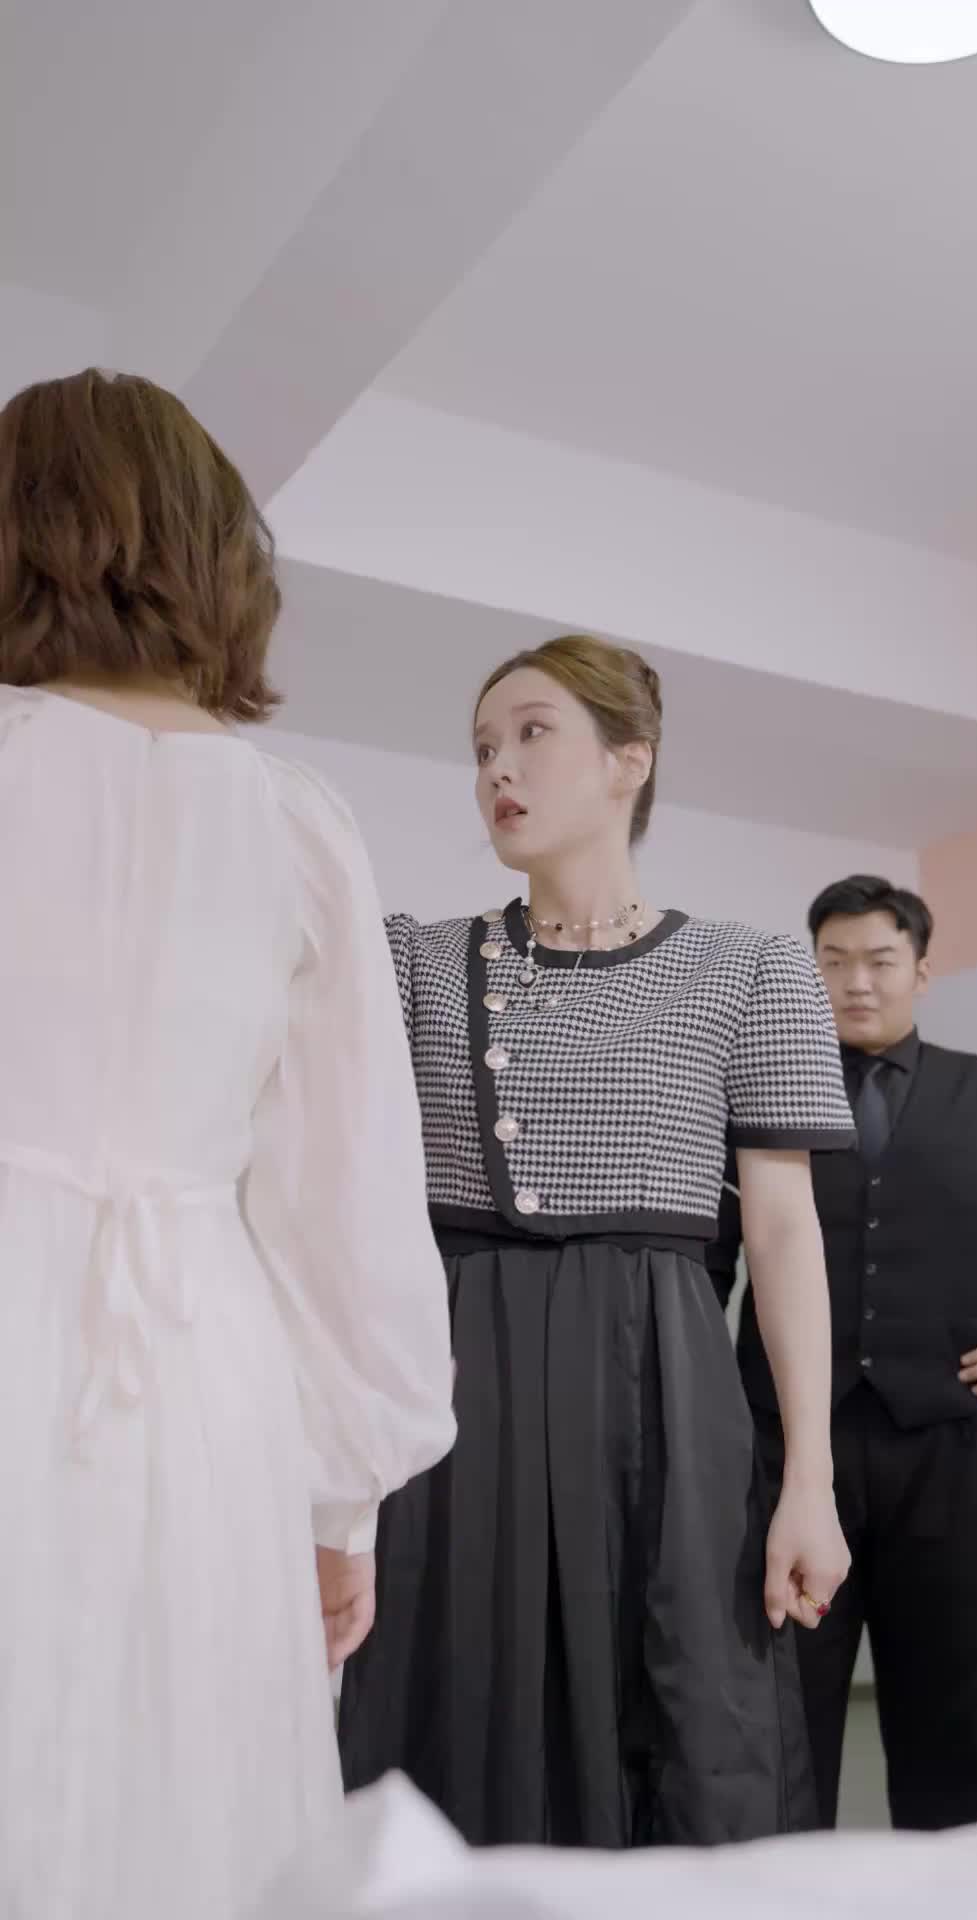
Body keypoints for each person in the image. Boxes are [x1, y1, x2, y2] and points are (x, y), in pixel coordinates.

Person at [0, 369, 456, 1920]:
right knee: (179, 1793)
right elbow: (347, 1201)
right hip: (205, 1368)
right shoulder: (298, 822)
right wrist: (342, 1507)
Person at [337, 633, 853, 1848]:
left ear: (631, 760)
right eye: (481, 748)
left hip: (661, 1389)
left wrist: (811, 1484)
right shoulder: (413, 961)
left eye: (531, 733)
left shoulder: (755, 969)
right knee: (457, 1712)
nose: (497, 770)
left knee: (679, 1714)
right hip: (458, 1389)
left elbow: (784, 1238)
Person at [708, 875, 977, 1833]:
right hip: (787, 1454)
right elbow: (703, 1261)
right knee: (783, 1714)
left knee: (948, 1712)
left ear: (922, 968)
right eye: (833, 962)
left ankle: (949, 1891)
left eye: (879, 960)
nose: (857, 982)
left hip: (951, 1455)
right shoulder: (766, 1097)